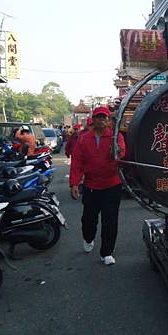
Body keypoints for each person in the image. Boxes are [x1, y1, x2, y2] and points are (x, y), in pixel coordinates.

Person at [69, 106, 125, 266]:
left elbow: (122, 153)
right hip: (91, 185)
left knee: (110, 220)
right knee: (88, 219)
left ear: (109, 121)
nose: (101, 120)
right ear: (93, 120)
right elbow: (77, 162)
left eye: (104, 118)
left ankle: (107, 252)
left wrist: (118, 151)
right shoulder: (83, 138)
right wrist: (74, 183)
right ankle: (88, 237)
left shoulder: (116, 136)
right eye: (98, 117)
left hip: (112, 184)